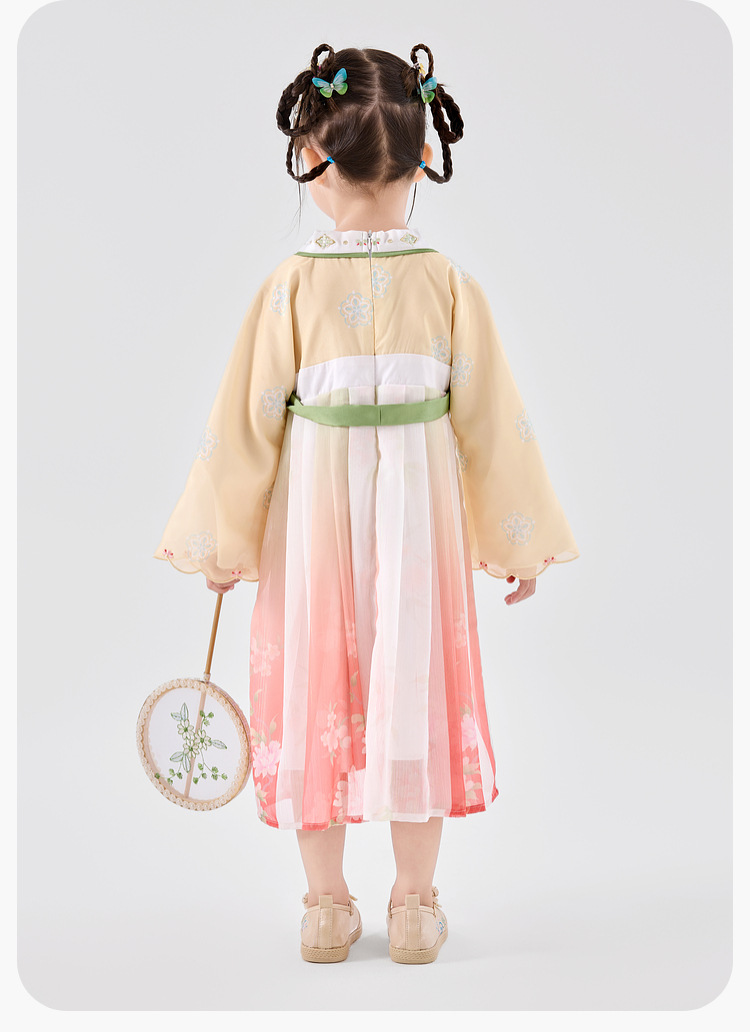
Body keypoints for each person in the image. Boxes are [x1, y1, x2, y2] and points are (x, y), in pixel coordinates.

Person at [152, 42, 580, 965]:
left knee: (318, 688)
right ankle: (416, 906)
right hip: (419, 521)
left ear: (312, 154)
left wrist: (222, 540)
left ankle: (325, 906)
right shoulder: (449, 284)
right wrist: (521, 542)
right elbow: (494, 425)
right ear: (425, 155)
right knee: (414, 685)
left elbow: (246, 425)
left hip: (315, 520)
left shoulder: (291, 287)